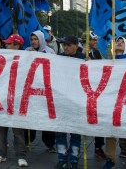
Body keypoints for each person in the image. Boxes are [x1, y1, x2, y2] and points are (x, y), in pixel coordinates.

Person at [0, 34, 28, 167]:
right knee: (0, 130)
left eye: (9, 44)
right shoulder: (2, 58)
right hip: (1, 98)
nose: (6, 45)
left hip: (17, 100)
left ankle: (21, 156)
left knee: (18, 131)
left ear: (17, 46)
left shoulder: (26, 59)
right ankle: (1, 153)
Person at [103, 37, 126, 169]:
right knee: (111, 132)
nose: (118, 42)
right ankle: (110, 159)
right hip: (112, 102)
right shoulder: (108, 62)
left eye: (122, 41)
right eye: (117, 41)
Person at [53, 36, 85, 169]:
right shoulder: (58, 58)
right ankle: (62, 158)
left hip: (77, 102)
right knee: (60, 132)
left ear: (76, 46)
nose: (65, 47)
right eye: (64, 45)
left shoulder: (84, 59)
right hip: (61, 100)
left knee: (75, 132)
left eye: (68, 45)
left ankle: (74, 159)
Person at [25, 29, 56, 153]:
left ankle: (49, 143)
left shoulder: (50, 52)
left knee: (46, 118)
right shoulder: (27, 52)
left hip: (46, 90)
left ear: (41, 40)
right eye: (32, 39)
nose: (33, 41)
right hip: (31, 91)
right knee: (30, 117)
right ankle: (28, 141)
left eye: (36, 39)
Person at [85, 31, 106, 160]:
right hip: (84, 89)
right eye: (94, 40)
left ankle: (98, 147)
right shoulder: (81, 51)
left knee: (98, 120)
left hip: (95, 90)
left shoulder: (96, 52)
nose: (96, 42)